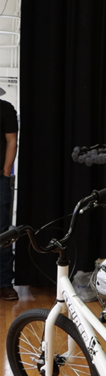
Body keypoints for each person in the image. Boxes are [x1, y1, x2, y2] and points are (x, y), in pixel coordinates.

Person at [0, 88, 17, 301]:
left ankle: (4, 283)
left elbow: (12, 140)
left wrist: (5, 172)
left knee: (2, 233)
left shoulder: (5, 109)